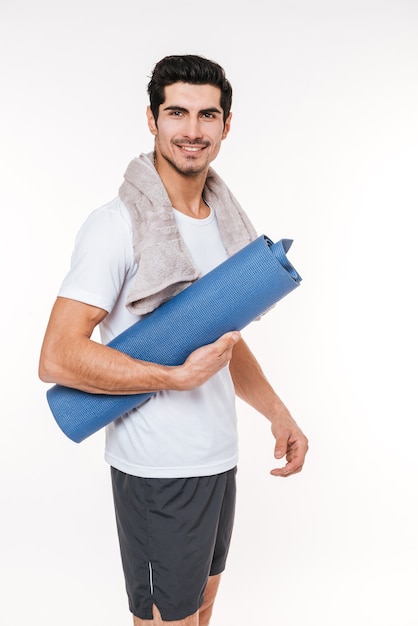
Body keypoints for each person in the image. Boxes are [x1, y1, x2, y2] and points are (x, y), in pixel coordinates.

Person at [39, 54, 309, 626]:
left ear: (225, 125)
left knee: (200, 612)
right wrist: (172, 377)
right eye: (177, 113)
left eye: (207, 115)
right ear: (152, 119)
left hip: (217, 461)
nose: (192, 130)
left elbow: (221, 343)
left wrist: (276, 412)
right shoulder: (117, 225)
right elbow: (57, 356)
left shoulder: (225, 224)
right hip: (157, 471)